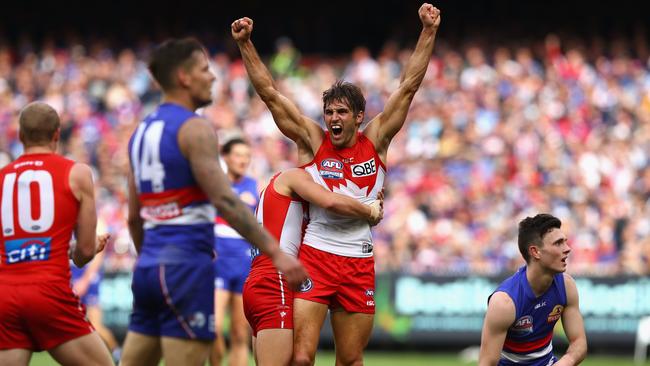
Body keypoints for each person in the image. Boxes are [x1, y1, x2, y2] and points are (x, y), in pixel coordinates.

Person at [231, 3, 441, 365]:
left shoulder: (375, 141)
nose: (333, 118)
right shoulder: (313, 142)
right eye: (329, 112)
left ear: (359, 117)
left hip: (359, 259)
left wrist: (428, 31)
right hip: (315, 256)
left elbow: (408, 87)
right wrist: (246, 43)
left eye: (342, 112)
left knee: (351, 360)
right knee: (300, 358)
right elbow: (270, 94)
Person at [120, 37, 307, 366]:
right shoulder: (194, 128)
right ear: (184, 77)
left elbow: (134, 218)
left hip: (148, 268)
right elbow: (225, 200)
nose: (213, 77)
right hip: (185, 267)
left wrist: (148, 258)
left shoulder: (140, 132)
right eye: (205, 70)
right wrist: (276, 252)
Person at [0, 102, 113, 366]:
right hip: (49, 290)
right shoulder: (77, 173)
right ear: (57, 135)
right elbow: (84, 253)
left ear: (20, 135)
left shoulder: (1, 178)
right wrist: (86, 249)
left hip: (4, 294)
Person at [245, 168, 383, 366]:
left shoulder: (289, 190)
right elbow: (331, 201)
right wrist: (370, 211)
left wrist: (368, 198)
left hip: (258, 280)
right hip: (275, 282)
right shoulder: (295, 177)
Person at [478, 214, 587, 366]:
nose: (567, 249)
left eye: (565, 242)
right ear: (535, 252)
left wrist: (564, 363)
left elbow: (579, 342)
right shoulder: (504, 302)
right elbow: (487, 363)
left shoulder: (567, 286)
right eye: (558, 243)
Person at [211, 138, 258, 366]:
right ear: (226, 157)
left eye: (246, 156)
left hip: (243, 266)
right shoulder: (214, 185)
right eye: (238, 155)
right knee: (214, 328)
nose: (243, 160)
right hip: (217, 264)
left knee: (241, 334)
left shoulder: (254, 187)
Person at [70, 250, 122, 362]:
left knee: (95, 324)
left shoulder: (95, 231)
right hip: (71, 275)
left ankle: (117, 354)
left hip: (87, 277)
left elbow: (99, 254)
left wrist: (85, 280)